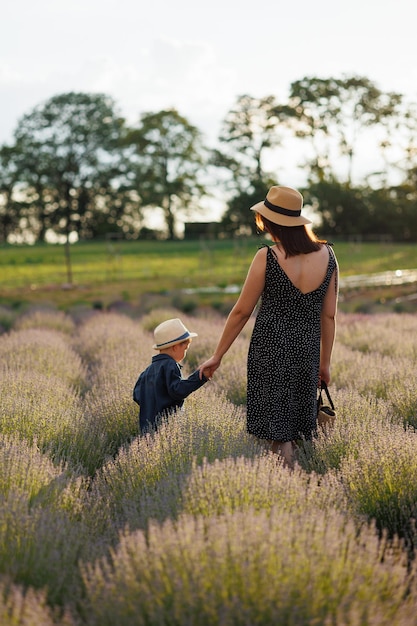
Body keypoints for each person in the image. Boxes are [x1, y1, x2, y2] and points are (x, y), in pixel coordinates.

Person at [199, 185, 338, 468]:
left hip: (269, 352)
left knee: (277, 432)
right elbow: (329, 317)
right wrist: (325, 364)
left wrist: (217, 355)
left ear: (272, 222)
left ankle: (284, 491)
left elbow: (241, 312)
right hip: (307, 351)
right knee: (299, 426)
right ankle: (303, 484)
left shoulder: (267, 257)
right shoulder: (329, 257)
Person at [133, 317, 209, 433]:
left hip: (147, 431)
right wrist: (200, 376)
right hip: (168, 430)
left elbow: (137, 395)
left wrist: (152, 404)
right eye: (185, 348)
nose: (185, 352)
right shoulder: (170, 365)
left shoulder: (147, 371)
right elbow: (178, 390)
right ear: (175, 347)